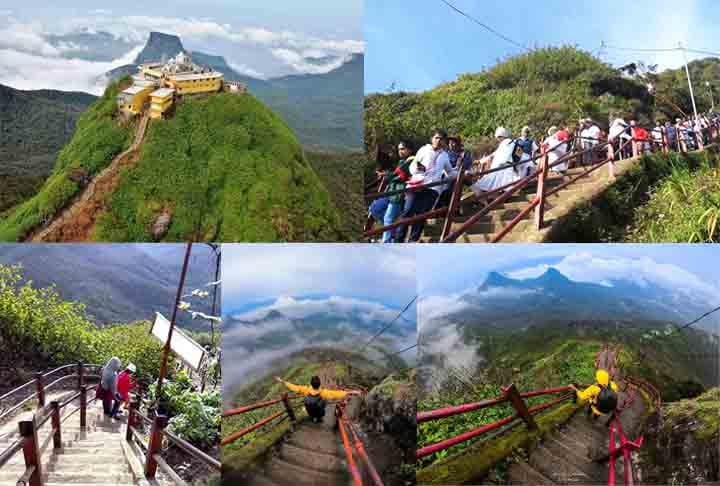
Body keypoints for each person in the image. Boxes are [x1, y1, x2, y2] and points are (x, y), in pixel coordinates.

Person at [395, 129, 456, 243]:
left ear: (444, 141)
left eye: (441, 139)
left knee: (422, 214)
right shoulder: (424, 150)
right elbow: (412, 166)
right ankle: (398, 240)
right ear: (432, 139)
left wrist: (461, 173)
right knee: (408, 211)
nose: (438, 140)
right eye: (436, 137)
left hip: (432, 188)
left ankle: (413, 240)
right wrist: (416, 169)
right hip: (417, 183)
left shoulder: (444, 155)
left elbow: (450, 172)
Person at [275, 376, 361, 423]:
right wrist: (353, 392)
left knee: (312, 411)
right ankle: (319, 419)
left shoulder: (306, 389)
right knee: (324, 402)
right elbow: (338, 393)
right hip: (319, 411)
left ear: (311, 384)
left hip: (309, 411)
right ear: (319, 384)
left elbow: (293, 387)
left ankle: (312, 418)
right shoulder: (324, 392)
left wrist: (281, 381)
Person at [471, 127, 527, 197]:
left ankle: (492, 203)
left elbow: (500, 158)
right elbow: (494, 154)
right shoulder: (512, 142)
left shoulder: (505, 144)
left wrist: (489, 166)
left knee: (489, 185)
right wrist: (480, 161)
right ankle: (495, 201)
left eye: (497, 138)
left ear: (500, 136)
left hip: (502, 169)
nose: (497, 140)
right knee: (499, 187)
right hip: (509, 169)